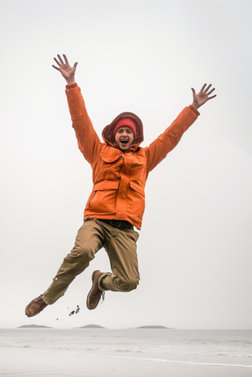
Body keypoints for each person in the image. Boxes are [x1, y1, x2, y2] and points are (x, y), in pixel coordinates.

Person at [25, 54, 216, 317]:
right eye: (120, 130)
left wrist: (192, 109)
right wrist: (71, 84)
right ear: (114, 133)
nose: (124, 134)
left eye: (129, 131)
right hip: (97, 219)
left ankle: (99, 281)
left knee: (129, 282)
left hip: (125, 228)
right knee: (82, 251)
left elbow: (171, 137)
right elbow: (81, 123)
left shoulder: (145, 158)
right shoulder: (97, 151)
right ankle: (48, 297)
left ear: (135, 136)